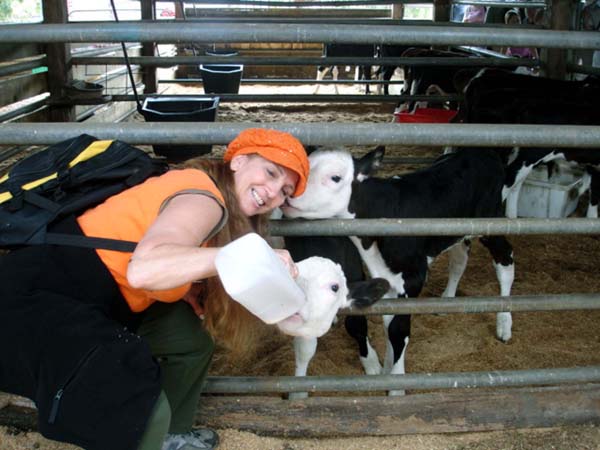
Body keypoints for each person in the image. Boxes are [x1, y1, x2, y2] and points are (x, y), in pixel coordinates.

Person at [0, 128, 309, 450]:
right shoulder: (203, 198)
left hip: (89, 292)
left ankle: (173, 437)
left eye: (285, 191)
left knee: (189, 341)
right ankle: (154, 434)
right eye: (271, 172)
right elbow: (145, 270)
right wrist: (247, 257)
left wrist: (187, 286)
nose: (273, 192)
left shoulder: (206, 191)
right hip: (38, 300)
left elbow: (149, 254)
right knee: (143, 411)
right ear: (239, 161)